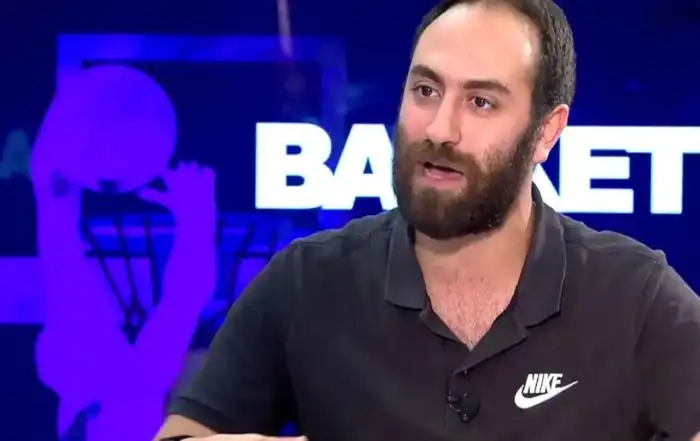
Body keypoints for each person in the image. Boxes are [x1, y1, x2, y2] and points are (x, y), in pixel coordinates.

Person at [155, 0, 700, 440]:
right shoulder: (307, 281)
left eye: (481, 102)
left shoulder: (634, 296)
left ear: (545, 132)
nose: (440, 129)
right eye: (425, 91)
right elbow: (185, 433)